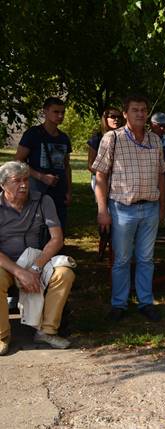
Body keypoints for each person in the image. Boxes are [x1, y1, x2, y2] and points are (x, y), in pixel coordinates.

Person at [92, 94, 165, 323]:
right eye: (135, 110)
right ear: (125, 113)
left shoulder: (155, 140)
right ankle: (119, 304)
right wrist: (102, 210)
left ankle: (146, 302)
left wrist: (162, 207)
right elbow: (101, 176)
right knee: (122, 259)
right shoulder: (111, 138)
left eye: (144, 110)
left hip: (150, 208)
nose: (141, 114)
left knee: (146, 259)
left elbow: (161, 176)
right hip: (122, 208)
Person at [0, 161, 75, 355]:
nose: (24, 185)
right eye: (17, 181)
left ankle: (47, 331)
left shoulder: (43, 201)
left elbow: (57, 238)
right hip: (6, 264)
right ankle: (2, 336)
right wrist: (19, 272)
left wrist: (35, 268)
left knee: (64, 273)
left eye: (26, 180)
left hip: (37, 260)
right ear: (3, 184)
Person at [15, 97, 72, 230]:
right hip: (37, 190)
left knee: (58, 228)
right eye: (56, 111)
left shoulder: (64, 138)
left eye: (63, 112)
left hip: (59, 191)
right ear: (45, 112)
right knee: (36, 228)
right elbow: (18, 160)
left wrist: (69, 191)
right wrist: (41, 177)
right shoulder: (33, 134)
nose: (60, 115)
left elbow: (66, 166)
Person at [87, 107, 123, 192]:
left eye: (119, 117)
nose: (117, 119)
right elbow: (90, 165)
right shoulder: (97, 138)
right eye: (113, 116)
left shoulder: (124, 137)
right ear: (105, 119)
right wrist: (105, 175)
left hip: (121, 180)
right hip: (100, 179)